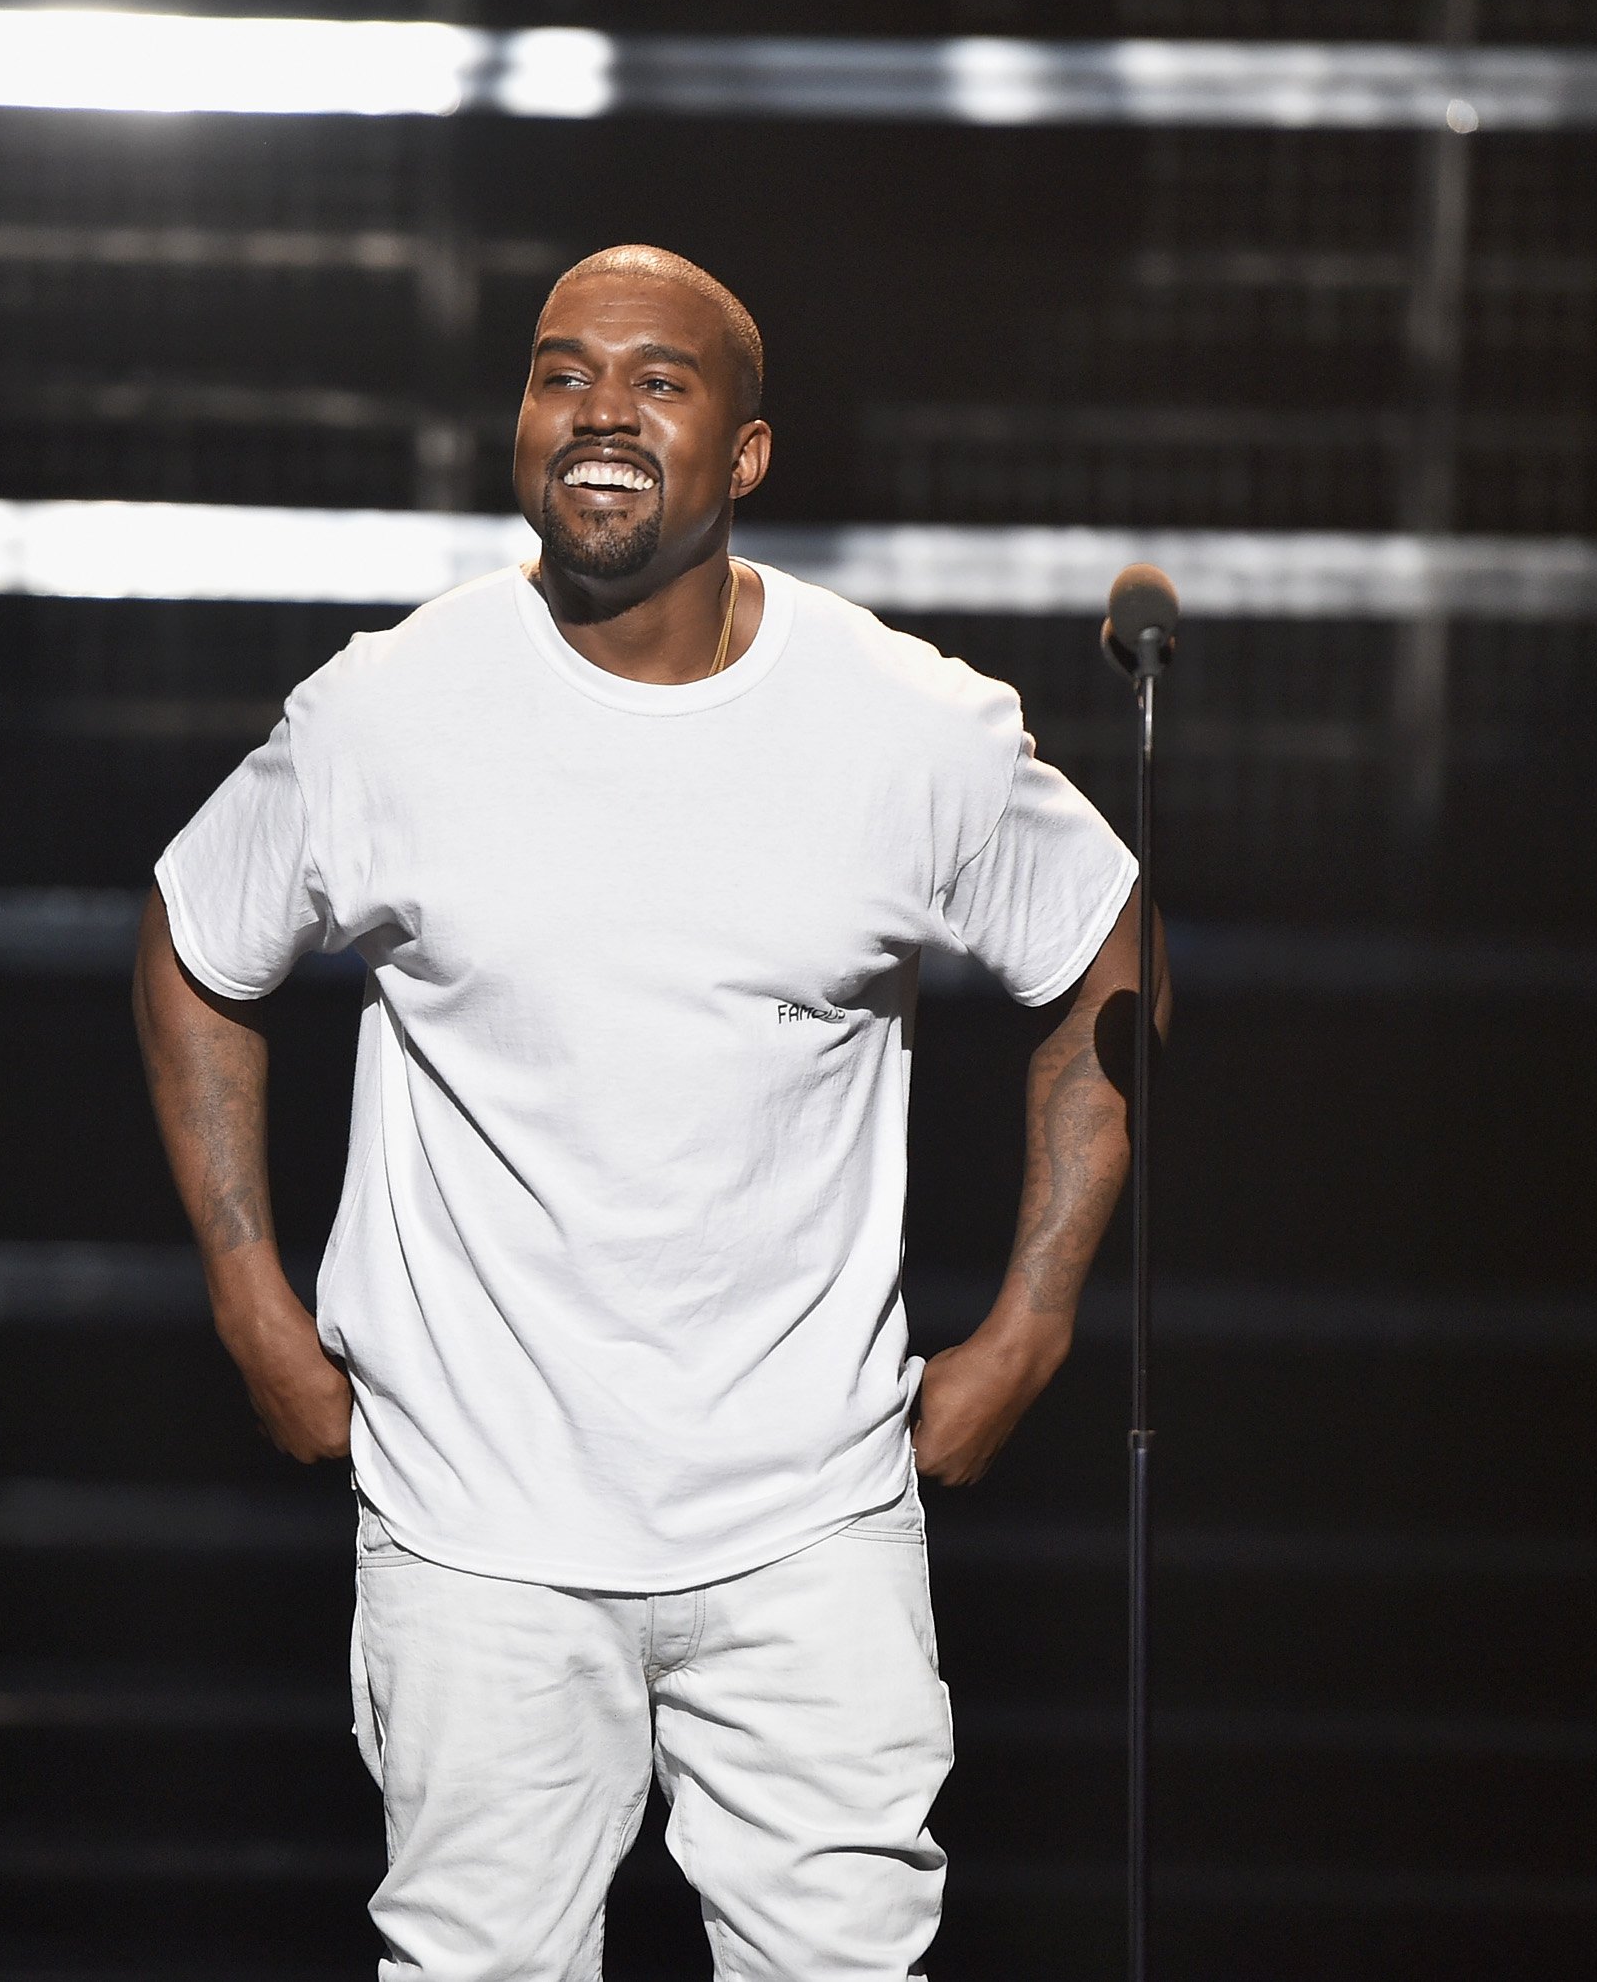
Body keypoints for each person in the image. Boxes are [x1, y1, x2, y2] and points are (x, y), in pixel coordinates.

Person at [134, 245, 1163, 1981]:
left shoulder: (905, 726)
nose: (601, 410)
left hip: (807, 1521)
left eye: (658, 379)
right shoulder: (387, 710)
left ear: (747, 455)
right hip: (477, 1523)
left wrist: (1036, 1327)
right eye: (560, 372)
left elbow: (1108, 956)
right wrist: (248, 1294)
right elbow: (191, 940)